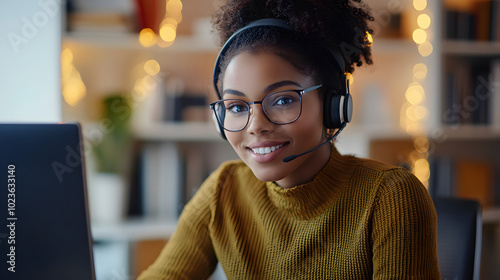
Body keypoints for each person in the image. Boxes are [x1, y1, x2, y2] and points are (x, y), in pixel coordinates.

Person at [138, 0, 440, 279]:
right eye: (237, 107)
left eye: (282, 100)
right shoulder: (224, 190)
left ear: (333, 105)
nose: (256, 126)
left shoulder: (390, 197)